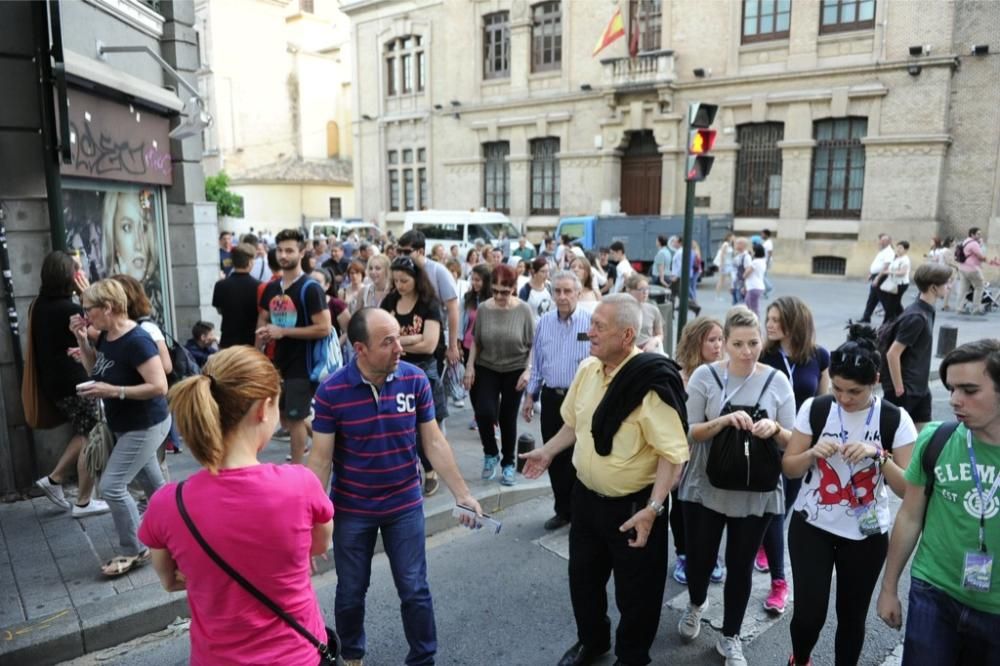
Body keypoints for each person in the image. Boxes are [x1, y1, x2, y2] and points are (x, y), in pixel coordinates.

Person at [521, 295, 690, 666]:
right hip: (586, 500)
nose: (589, 332)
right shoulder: (588, 370)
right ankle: (593, 641)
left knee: (637, 595)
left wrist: (653, 508)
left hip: (635, 508)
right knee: (583, 579)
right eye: (591, 323)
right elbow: (574, 424)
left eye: (599, 326)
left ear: (627, 335)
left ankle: (631, 657)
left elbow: (673, 454)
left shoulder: (650, 384)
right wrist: (548, 451)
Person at [308, 308, 482, 666]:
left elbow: (433, 443)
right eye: (387, 342)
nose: (399, 348)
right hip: (352, 510)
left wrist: (463, 494)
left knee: (415, 590)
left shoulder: (415, 380)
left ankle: (423, 658)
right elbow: (321, 460)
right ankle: (352, 655)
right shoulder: (331, 392)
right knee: (351, 593)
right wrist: (309, 521)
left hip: (405, 506)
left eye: (398, 337)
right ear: (360, 349)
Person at [138, 347, 334, 665]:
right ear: (262, 408)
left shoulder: (167, 503)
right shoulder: (301, 485)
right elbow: (320, 543)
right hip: (296, 656)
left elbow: (169, 579)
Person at [781, 324, 915, 666]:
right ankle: (801, 658)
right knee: (808, 614)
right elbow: (790, 468)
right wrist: (811, 454)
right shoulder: (816, 408)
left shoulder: (895, 419)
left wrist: (878, 455)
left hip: (866, 534)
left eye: (854, 391)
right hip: (812, 525)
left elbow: (908, 489)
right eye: (838, 388)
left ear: (875, 381)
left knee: (852, 617)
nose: (843, 398)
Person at [676, 305, 796, 665]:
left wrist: (773, 429)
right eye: (738, 344)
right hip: (705, 485)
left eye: (754, 343)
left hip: (755, 489)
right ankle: (697, 603)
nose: (746, 351)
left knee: (740, 566)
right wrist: (725, 421)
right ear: (724, 343)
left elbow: (792, 440)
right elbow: (690, 431)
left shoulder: (777, 381)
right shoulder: (704, 377)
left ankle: (730, 636)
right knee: (698, 561)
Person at [877, 339, 1000, 664]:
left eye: (969, 390)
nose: (955, 400)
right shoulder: (936, 439)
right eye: (952, 388)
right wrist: (889, 589)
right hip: (934, 592)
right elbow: (909, 516)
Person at [70, 279, 170, 577]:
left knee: (112, 486)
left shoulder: (136, 340)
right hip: (126, 425)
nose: (85, 316)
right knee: (155, 487)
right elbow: (94, 370)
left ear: (109, 308)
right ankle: (181, 529)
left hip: (145, 424)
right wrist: (83, 342)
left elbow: (159, 386)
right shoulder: (104, 335)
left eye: (88, 310)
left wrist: (114, 392)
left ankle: (134, 548)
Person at [756, 296, 831, 611]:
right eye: (768, 319)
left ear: (793, 322)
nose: (769, 324)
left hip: (801, 444)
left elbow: (823, 399)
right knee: (774, 508)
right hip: (768, 441)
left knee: (783, 505)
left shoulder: (818, 356)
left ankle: (765, 541)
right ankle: (779, 580)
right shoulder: (763, 355)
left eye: (776, 319)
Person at [31, 251, 109, 518]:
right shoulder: (70, 309)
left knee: (86, 431)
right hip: (76, 381)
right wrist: (89, 296)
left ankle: (53, 480)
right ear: (70, 277)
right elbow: (101, 333)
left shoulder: (40, 304)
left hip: (56, 382)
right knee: (92, 436)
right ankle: (83, 501)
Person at [521, 271, 592, 530]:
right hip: (553, 399)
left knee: (580, 457)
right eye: (557, 292)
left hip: (583, 399)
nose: (562, 297)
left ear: (578, 292)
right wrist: (531, 395)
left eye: (567, 291)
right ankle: (563, 510)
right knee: (553, 456)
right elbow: (537, 363)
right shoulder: (545, 323)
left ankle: (581, 513)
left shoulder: (590, 322)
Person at [256, 229, 332, 465]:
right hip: (277, 362)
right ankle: (329, 445)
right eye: (280, 250)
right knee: (288, 417)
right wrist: (258, 346)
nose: (283, 255)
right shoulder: (271, 287)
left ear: (301, 253)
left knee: (295, 418)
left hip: (303, 363)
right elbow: (263, 319)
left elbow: (324, 328)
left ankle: (297, 468)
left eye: (289, 250)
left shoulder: (310, 288)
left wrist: (283, 332)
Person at [381, 256, 447, 496]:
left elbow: (430, 345)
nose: (399, 285)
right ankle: (409, 471)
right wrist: (412, 339)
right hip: (393, 369)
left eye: (405, 280)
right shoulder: (389, 301)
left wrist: (398, 339)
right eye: (396, 280)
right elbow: (381, 336)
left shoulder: (429, 303)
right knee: (397, 426)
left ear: (417, 279)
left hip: (423, 371)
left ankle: (430, 471)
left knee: (424, 428)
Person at [463, 264, 534, 486]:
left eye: (505, 291)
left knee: (507, 417)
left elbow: (533, 344)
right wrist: (470, 366)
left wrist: (529, 369)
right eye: (495, 291)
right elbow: (476, 340)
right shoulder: (484, 308)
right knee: (484, 412)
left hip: (515, 367)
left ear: (514, 288)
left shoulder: (523, 309)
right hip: (487, 366)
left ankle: (508, 464)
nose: (499, 296)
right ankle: (490, 453)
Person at [671, 317, 727, 586]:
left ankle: (711, 554)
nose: (718, 346)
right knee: (681, 508)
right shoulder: (680, 376)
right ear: (697, 342)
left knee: (712, 509)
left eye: (720, 339)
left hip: (712, 456)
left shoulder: (724, 374)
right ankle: (684, 554)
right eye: (712, 340)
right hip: (680, 453)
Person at [882, 264, 953, 430]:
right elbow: (893, 353)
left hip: (920, 387)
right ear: (934, 288)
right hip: (906, 390)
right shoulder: (916, 317)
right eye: (946, 283)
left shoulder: (927, 310)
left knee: (922, 437)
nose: (949, 286)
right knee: (893, 439)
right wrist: (899, 388)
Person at [397, 230, 461, 369]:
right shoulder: (398, 270)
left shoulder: (438, 271)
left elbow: (453, 309)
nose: (402, 256)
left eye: (407, 252)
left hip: (433, 337)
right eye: (399, 251)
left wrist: (453, 346)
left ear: (420, 251)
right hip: (406, 337)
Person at [213, 243, 261, 348]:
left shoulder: (220, 285)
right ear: (250, 262)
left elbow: (219, 310)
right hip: (251, 342)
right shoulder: (260, 286)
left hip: (227, 341)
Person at [625, 273, 664, 354]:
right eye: (641, 289)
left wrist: (654, 341)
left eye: (647, 289)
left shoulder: (653, 309)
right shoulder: (621, 310)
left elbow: (660, 334)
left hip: (648, 351)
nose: (645, 292)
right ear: (629, 290)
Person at [860, 234, 895, 323]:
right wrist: (871, 274)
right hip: (876, 276)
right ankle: (866, 317)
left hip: (882, 276)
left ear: (889, 242)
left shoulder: (889, 252)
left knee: (884, 299)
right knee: (872, 298)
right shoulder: (882, 251)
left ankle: (892, 318)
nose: (881, 242)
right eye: (881, 240)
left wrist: (877, 278)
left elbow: (886, 266)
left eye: (884, 240)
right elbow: (877, 264)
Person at [956, 226, 988, 315]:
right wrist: (981, 245)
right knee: (979, 287)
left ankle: (959, 308)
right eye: (978, 234)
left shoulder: (965, 241)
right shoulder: (974, 244)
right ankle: (976, 309)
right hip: (972, 269)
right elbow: (981, 256)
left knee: (963, 289)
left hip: (962, 268)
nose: (980, 235)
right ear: (972, 234)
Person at [878, 241, 912, 322]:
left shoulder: (905, 260)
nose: (898, 249)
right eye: (898, 247)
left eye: (901, 248)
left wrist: (889, 272)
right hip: (894, 283)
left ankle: (886, 323)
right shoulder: (896, 258)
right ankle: (904, 319)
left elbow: (903, 272)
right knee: (896, 304)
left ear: (906, 250)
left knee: (891, 304)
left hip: (901, 284)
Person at [518, 257, 553, 324]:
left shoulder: (549, 286)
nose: (546, 275)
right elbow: (521, 313)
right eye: (543, 271)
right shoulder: (526, 290)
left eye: (547, 271)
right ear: (534, 272)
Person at [743, 243, 767, 318]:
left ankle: (756, 325)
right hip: (756, 286)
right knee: (749, 305)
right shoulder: (763, 261)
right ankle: (752, 323)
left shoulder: (755, 262)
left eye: (753, 251)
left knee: (753, 308)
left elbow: (746, 274)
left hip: (754, 287)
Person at [715, 232, 735, 299]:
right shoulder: (725, 244)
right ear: (729, 237)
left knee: (732, 278)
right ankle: (717, 296)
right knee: (721, 280)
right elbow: (722, 255)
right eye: (733, 237)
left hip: (729, 264)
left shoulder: (730, 245)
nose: (734, 238)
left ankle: (732, 292)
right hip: (725, 264)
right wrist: (721, 265)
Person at [730, 236, 750, 306]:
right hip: (736, 283)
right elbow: (733, 272)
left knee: (741, 304)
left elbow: (747, 272)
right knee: (735, 304)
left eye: (738, 243)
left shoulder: (746, 257)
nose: (736, 245)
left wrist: (745, 286)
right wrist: (732, 286)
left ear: (743, 245)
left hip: (741, 284)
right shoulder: (737, 256)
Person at [761, 229, 775, 298]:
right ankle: (765, 292)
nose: (761, 235)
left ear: (766, 235)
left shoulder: (768, 243)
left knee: (762, 276)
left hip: (766, 261)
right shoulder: (766, 242)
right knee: (763, 276)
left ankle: (769, 287)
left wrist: (767, 262)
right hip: (764, 261)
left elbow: (770, 253)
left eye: (762, 234)